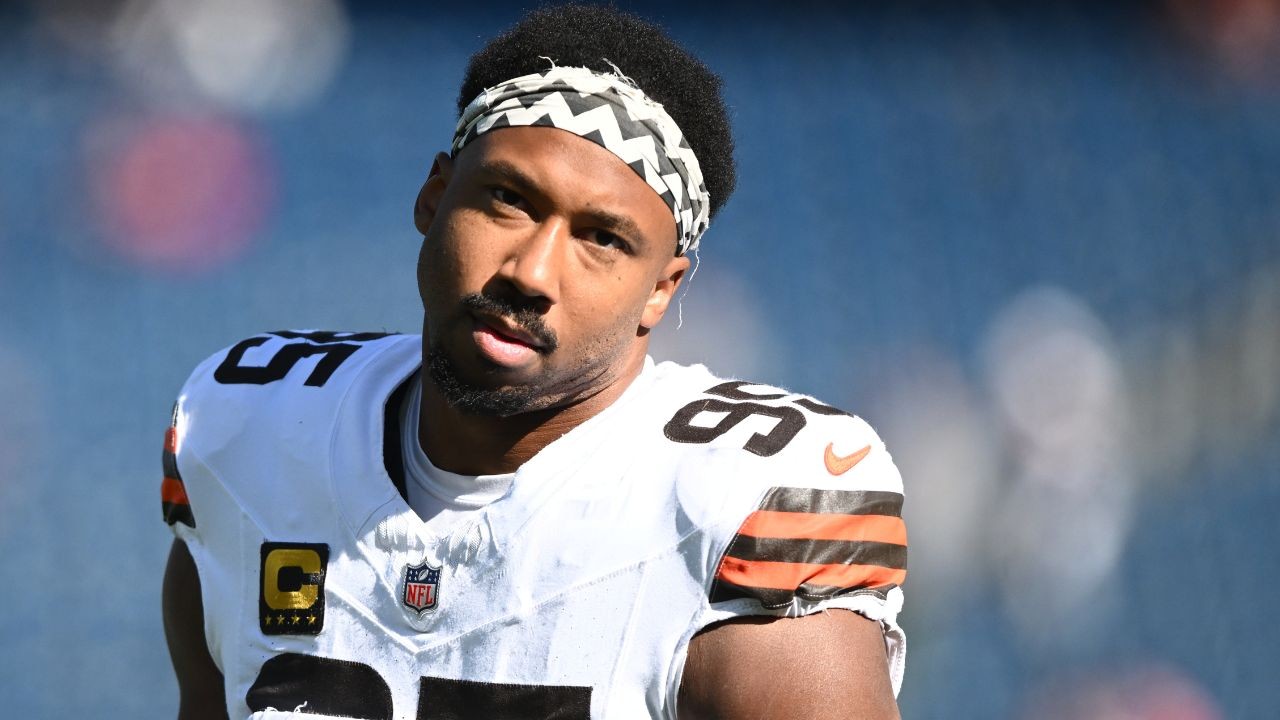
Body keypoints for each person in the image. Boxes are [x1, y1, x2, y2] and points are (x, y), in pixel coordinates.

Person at [161, 5, 908, 719]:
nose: (533, 272)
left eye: (602, 239)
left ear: (661, 290)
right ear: (433, 196)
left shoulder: (731, 505)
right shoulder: (248, 430)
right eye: (508, 200)